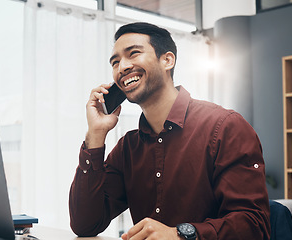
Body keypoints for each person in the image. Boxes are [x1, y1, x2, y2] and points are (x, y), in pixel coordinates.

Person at [69, 22, 270, 240]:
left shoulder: (225, 127)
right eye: (115, 62)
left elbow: (254, 226)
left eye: (133, 53)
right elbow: (85, 225)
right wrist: (95, 135)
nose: (122, 67)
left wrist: (181, 235)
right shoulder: (128, 148)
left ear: (167, 60)